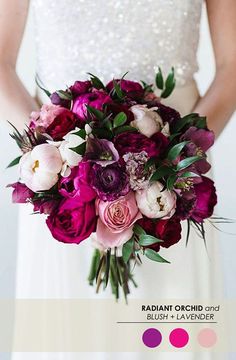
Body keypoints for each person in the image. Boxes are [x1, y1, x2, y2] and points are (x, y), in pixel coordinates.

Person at [0, 0, 235, 359]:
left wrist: (175, 158)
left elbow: (232, 63)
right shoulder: (55, 165)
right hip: (61, 180)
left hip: (172, 179)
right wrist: (50, 154)